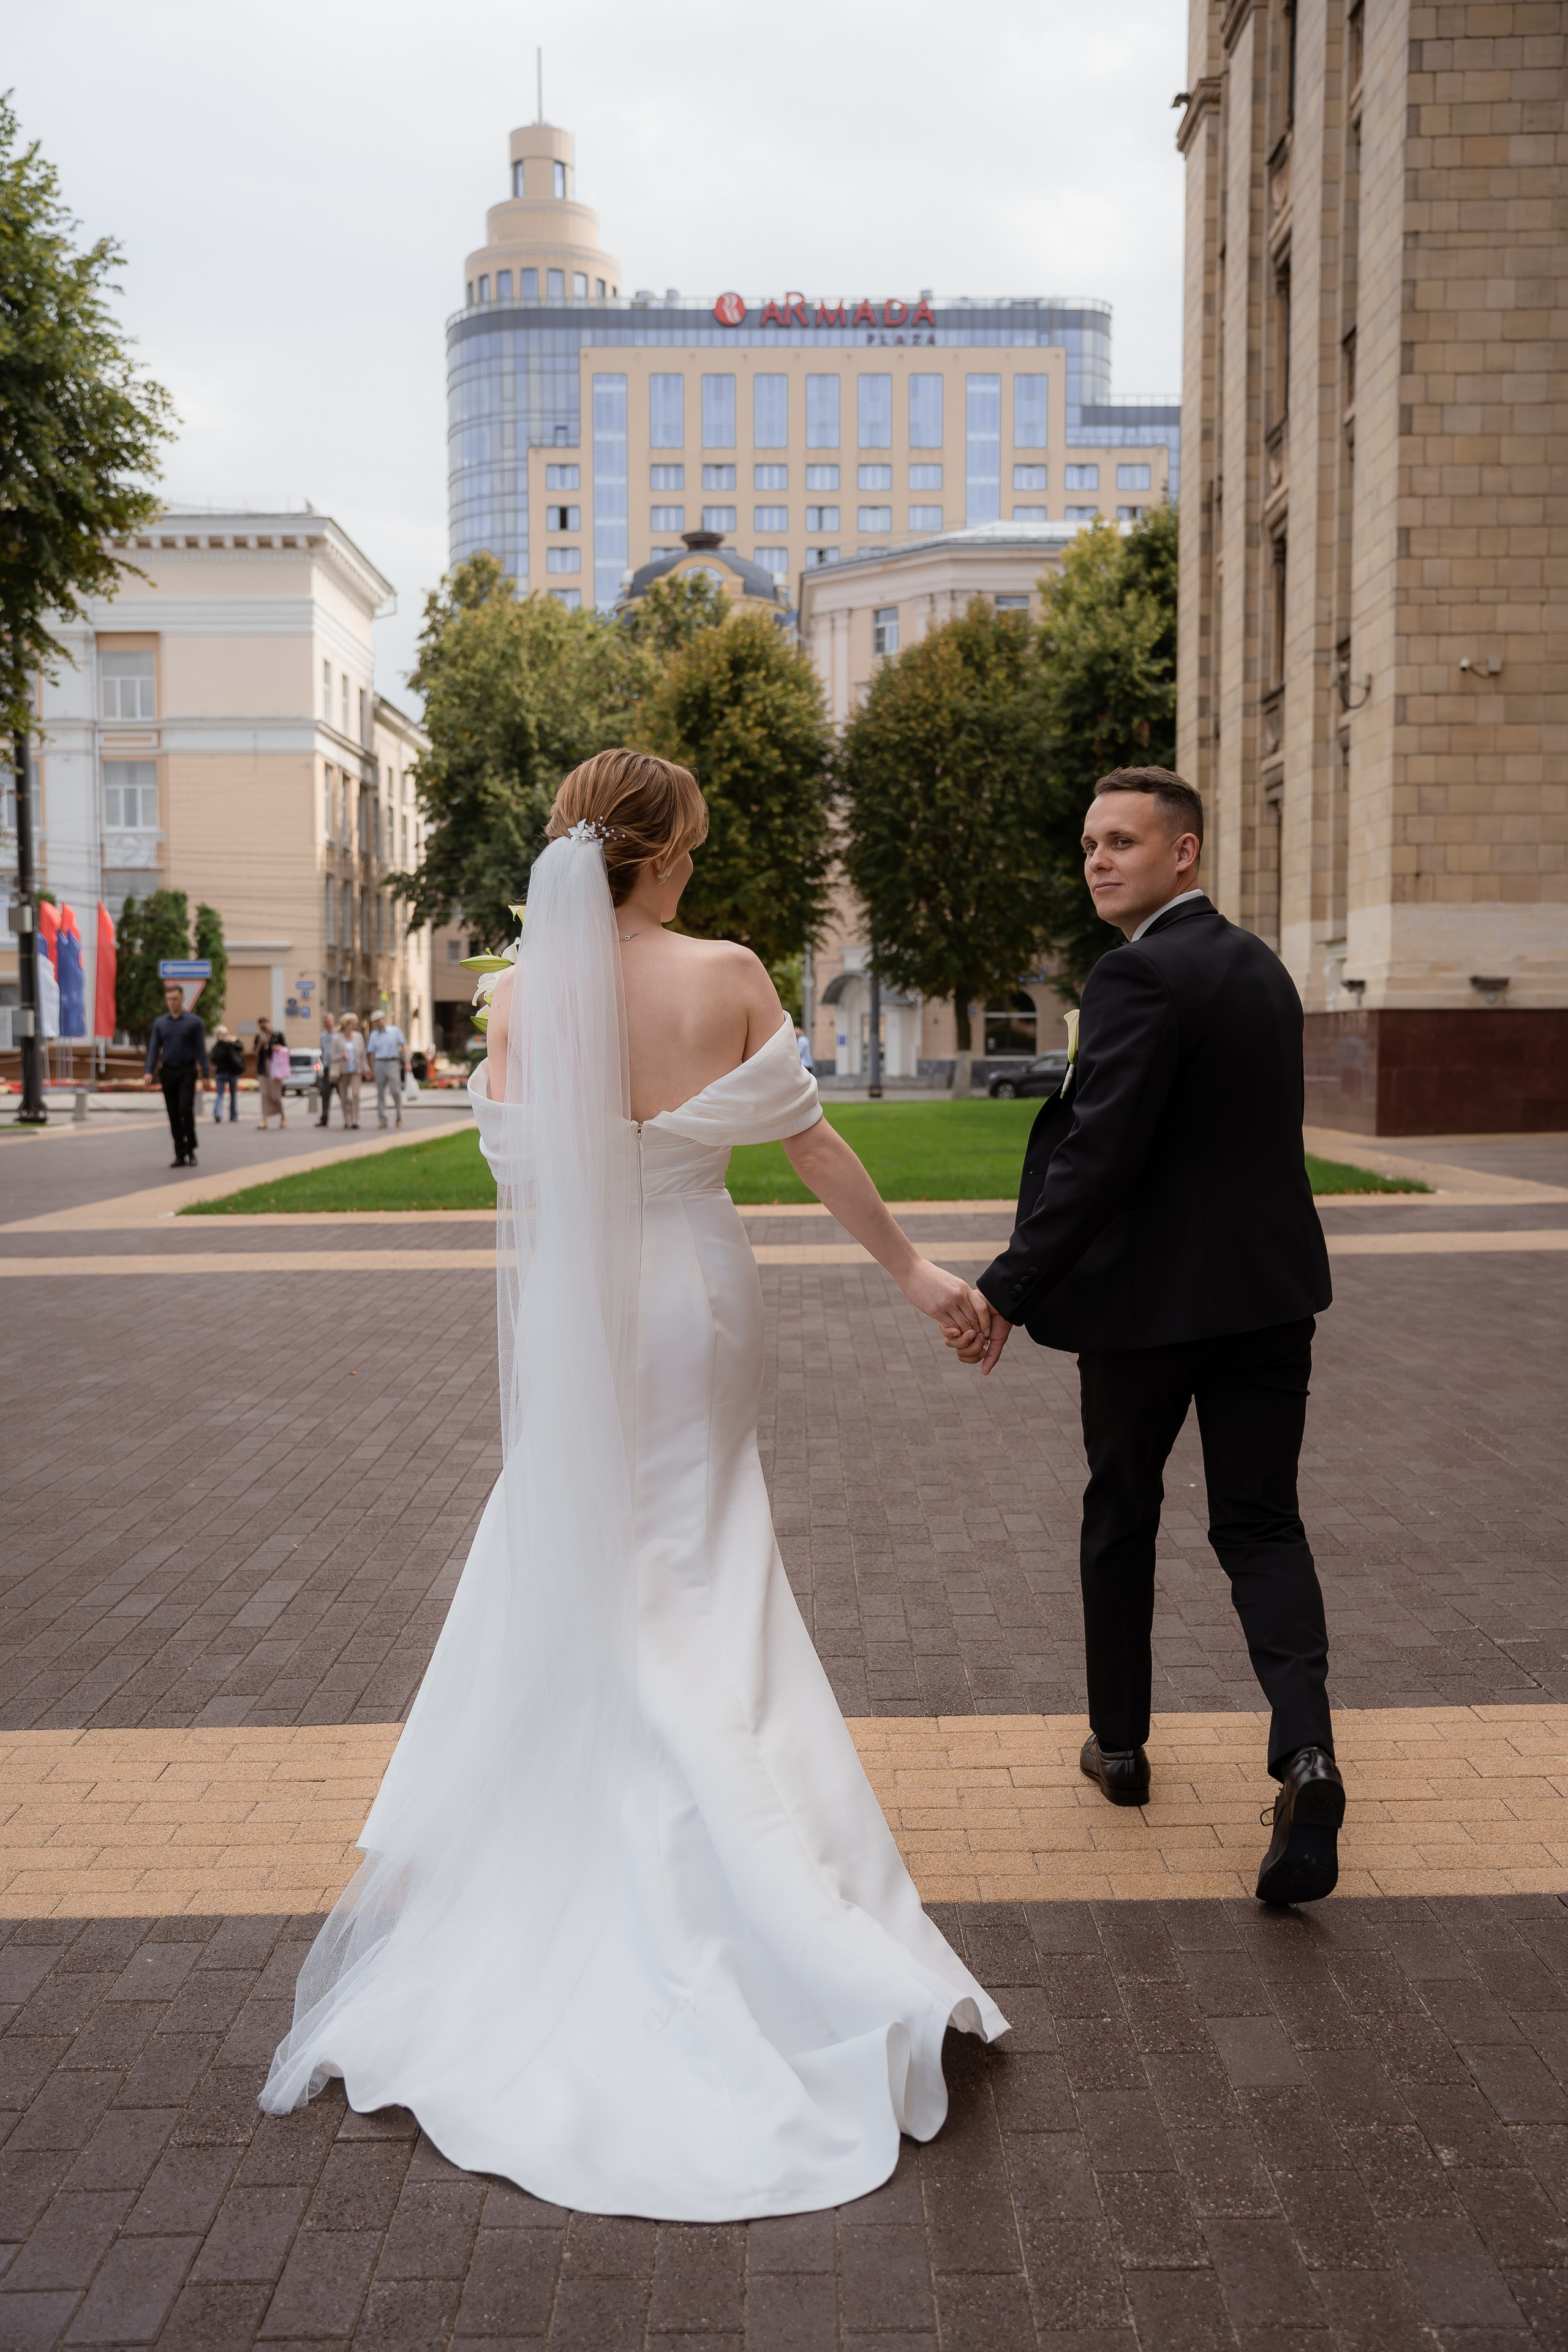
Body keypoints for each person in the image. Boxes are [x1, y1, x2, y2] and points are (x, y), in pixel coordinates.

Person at [262, 748, 1006, 2217]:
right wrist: (919, 1274)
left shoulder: (527, 994)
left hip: (584, 1312)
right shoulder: (725, 969)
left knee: (610, 1564)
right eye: (693, 849)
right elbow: (809, 1144)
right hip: (696, 1298)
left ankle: (607, 1849)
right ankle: (772, 1891)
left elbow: (524, 1172)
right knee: (704, 1560)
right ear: (661, 853)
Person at [952, 766, 1340, 1907]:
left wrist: (1008, 1290)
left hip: (1150, 1314)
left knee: (1122, 1510)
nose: (1098, 861)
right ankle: (1306, 1754)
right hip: (1271, 1298)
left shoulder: (1137, 976)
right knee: (1263, 1525)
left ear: (1186, 854)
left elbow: (1099, 1158)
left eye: (1122, 841)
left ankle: (1119, 1749)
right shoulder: (1261, 968)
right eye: (1088, 846)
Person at [144, 981, 211, 1167]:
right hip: (168, 1071)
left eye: (175, 999)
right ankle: (180, 1153)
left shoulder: (194, 1022)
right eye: (169, 999)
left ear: (182, 999)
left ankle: (191, 1149)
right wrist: (149, 1071)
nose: (172, 1002)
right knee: (173, 1113)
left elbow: (201, 1049)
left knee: (185, 1109)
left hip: (187, 1070)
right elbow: (154, 1049)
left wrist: (206, 1074)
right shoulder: (161, 1023)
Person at [368, 1009, 407, 1128]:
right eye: (375, 1021)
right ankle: (383, 1119)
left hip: (393, 1062)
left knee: (396, 1090)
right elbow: (371, 1054)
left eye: (379, 1020)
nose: (378, 1023)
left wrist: (407, 1062)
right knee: (380, 1093)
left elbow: (403, 1046)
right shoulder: (373, 1035)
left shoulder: (394, 1031)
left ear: (384, 1019)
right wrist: (371, 1069)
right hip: (379, 1063)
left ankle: (399, 1114)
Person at [257, 1025, 289, 1130]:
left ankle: (283, 1117)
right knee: (265, 1095)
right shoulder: (259, 1037)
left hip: (276, 1069)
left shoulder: (277, 1036)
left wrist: (274, 1047)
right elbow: (255, 1053)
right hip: (263, 1069)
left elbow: (286, 1049)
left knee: (276, 1095)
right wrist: (261, 1044)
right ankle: (264, 1120)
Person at [209, 1025, 243, 1124]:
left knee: (219, 1094)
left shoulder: (216, 1047)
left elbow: (213, 1060)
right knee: (233, 1094)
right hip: (232, 1072)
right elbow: (241, 1048)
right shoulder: (231, 1045)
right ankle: (233, 1115)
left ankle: (218, 1113)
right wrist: (235, 1039)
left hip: (220, 1072)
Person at [336, 1014, 365, 1127]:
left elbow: (363, 1054)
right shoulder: (337, 1038)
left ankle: (355, 1120)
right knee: (344, 1097)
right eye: (353, 1023)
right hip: (342, 1071)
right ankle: (347, 1119)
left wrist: (366, 1069)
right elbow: (332, 1055)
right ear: (347, 1024)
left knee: (355, 1094)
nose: (355, 1025)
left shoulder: (358, 1037)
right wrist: (341, 1055)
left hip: (356, 1070)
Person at [317, 1010, 340, 1126]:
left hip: (338, 1067)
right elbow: (323, 1051)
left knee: (343, 1093)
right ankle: (324, 1118)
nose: (327, 1024)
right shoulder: (323, 1036)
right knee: (325, 1094)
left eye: (329, 1021)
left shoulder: (339, 1034)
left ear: (333, 1021)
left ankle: (350, 1118)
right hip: (327, 1067)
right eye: (325, 1022)